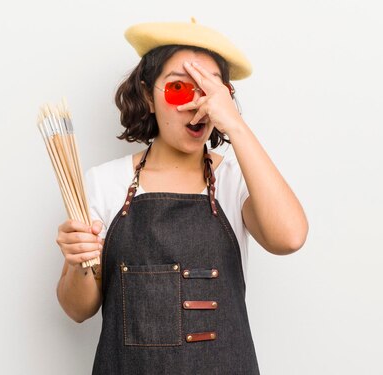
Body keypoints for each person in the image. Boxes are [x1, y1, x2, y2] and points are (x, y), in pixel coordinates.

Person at [54, 18, 308, 374]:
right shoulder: (104, 183)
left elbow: (290, 237)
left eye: (210, 93)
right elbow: (77, 309)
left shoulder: (235, 181)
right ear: (148, 95)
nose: (196, 106)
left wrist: (235, 124)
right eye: (178, 89)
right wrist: (79, 261)